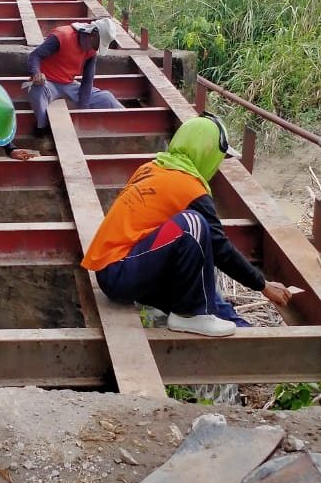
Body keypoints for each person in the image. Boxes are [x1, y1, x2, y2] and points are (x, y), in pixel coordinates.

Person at [81, 114, 292, 336]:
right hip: (121, 272)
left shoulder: (152, 168)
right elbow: (221, 248)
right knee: (194, 225)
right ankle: (190, 315)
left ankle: (239, 328)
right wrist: (263, 285)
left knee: (199, 278)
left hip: (119, 269)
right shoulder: (190, 188)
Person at [26, 17, 124, 139]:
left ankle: (130, 122)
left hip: (69, 84)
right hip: (48, 83)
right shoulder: (62, 36)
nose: (97, 48)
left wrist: (83, 110)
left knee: (106, 98)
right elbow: (35, 56)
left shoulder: (91, 51)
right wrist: (36, 73)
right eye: (98, 44)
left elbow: (87, 80)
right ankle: (43, 129)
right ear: (93, 35)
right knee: (37, 91)